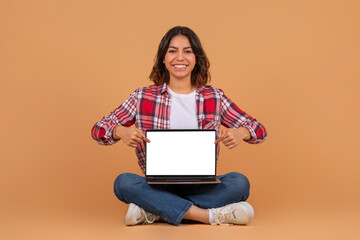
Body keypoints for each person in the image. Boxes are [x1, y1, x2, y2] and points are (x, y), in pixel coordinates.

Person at [91, 26, 267, 226]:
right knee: (123, 183)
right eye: (173, 51)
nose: (180, 58)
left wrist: (241, 132)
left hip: (202, 186)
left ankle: (156, 210)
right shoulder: (142, 97)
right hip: (158, 187)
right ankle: (209, 216)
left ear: (196, 58)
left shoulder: (214, 97)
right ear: (163, 59)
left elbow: (259, 129)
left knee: (240, 183)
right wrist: (119, 131)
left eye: (188, 51)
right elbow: (98, 129)